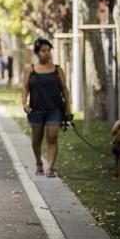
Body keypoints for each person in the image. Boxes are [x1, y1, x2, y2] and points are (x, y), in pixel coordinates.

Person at [21, 38, 71, 178]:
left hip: (54, 109)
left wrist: (68, 108)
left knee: (52, 137)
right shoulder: (30, 70)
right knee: (37, 139)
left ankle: (50, 167)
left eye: (49, 50)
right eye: (43, 50)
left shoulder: (57, 69)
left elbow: (64, 90)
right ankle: (38, 163)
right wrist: (24, 103)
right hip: (36, 109)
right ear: (37, 53)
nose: (47, 53)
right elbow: (25, 88)